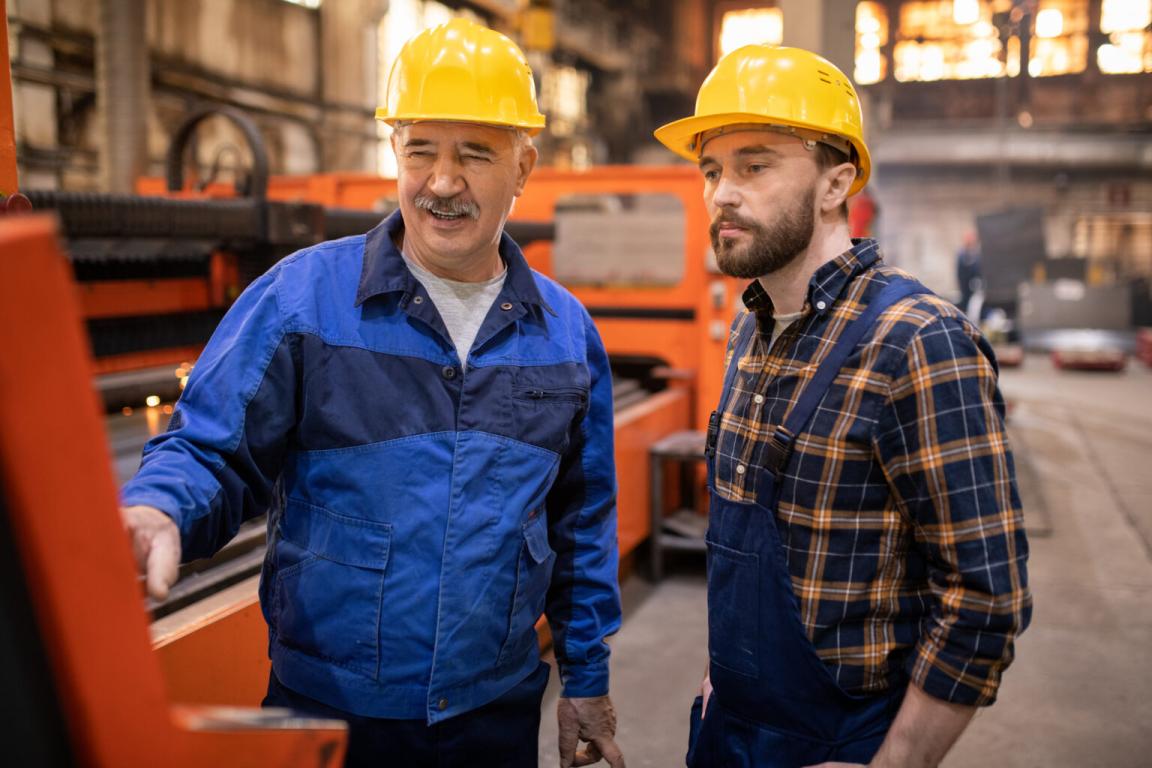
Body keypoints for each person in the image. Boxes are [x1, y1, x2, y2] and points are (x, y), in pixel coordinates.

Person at [121, 19, 625, 768]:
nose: (442, 182)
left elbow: (580, 525)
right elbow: (211, 448)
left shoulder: (564, 334)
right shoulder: (301, 303)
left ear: (524, 167)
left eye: (475, 154)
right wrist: (161, 506)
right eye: (421, 149)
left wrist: (586, 679)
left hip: (495, 716)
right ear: (394, 151)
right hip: (330, 714)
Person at [654, 45, 1031, 768]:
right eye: (711, 169)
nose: (721, 194)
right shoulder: (750, 329)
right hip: (727, 726)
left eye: (754, 165)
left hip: (845, 744)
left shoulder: (918, 341)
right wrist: (723, 676)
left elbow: (986, 597)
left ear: (837, 182)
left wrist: (896, 764)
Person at [955, 230, 983, 319]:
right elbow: (960, 274)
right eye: (968, 238)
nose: (970, 240)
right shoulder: (962, 254)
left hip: (977, 286)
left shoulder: (978, 253)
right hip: (966, 288)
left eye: (971, 237)